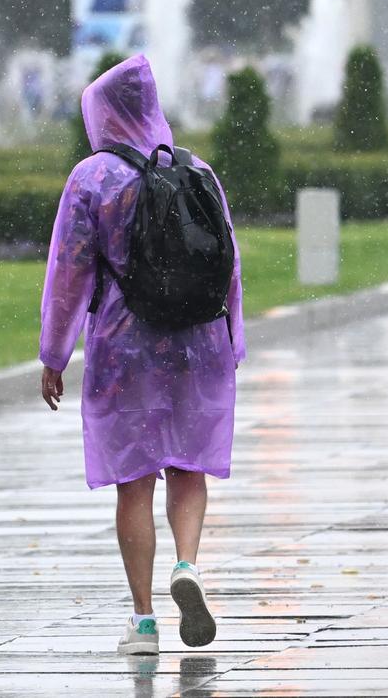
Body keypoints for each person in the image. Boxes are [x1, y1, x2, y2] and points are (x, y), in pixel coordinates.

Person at [37, 55, 244, 654]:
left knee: (134, 480)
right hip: (198, 341)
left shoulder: (92, 179)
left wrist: (54, 351)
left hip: (125, 345)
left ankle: (145, 619)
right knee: (188, 466)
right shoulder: (197, 169)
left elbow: (68, 273)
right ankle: (188, 564)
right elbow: (228, 263)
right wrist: (234, 338)